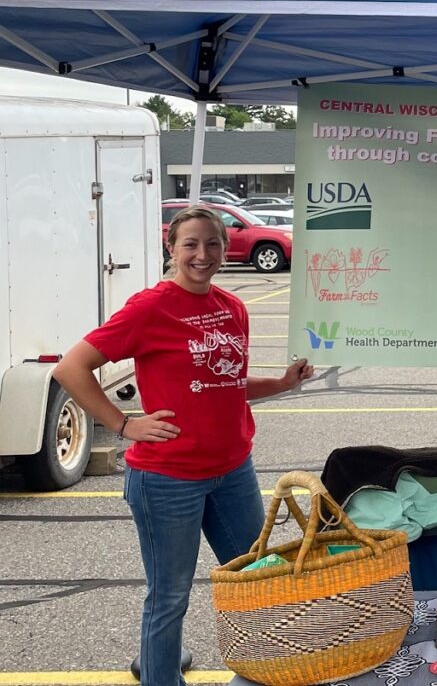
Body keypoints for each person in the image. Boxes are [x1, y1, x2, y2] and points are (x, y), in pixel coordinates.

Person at [53, 205, 313, 686]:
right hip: (168, 478)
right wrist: (123, 424)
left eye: (212, 243)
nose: (203, 254)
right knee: (170, 595)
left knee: (256, 577)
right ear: (171, 248)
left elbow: (228, 383)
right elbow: (70, 368)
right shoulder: (151, 308)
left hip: (233, 470)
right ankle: (159, 673)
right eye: (190, 244)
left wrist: (280, 383)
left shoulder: (232, 307)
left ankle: (178, 660)